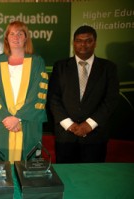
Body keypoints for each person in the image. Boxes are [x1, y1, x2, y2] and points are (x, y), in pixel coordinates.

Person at [47, 25, 119, 163]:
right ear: (73, 43)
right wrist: (69, 124)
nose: (83, 44)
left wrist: (89, 124)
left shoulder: (108, 68)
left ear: (95, 43)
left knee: (93, 178)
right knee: (66, 177)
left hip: (95, 136)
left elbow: (111, 100)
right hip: (66, 136)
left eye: (88, 40)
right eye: (79, 40)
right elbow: (53, 98)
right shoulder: (60, 66)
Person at [0, 21, 48, 163]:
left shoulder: (37, 62)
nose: (16, 37)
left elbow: (37, 93)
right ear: (6, 38)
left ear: (26, 38)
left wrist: (18, 117)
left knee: (29, 163)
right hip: (3, 122)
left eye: (20, 33)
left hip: (28, 121)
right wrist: (8, 118)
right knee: (2, 166)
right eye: (12, 34)